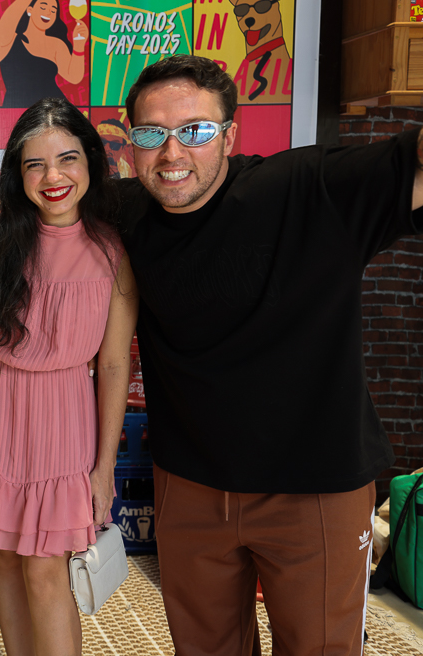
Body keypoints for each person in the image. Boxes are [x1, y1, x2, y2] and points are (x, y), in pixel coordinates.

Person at [117, 54, 423, 655]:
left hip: (314, 486)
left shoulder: (305, 188)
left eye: (195, 130)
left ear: (229, 136)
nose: (172, 152)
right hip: (188, 483)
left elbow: (409, 168)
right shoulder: (126, 212)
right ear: (132, 144)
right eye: (151, 134)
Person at [0, 97, 138, 656]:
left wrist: (103, 467)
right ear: (18, 173)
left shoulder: (110, 253)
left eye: (67, 159)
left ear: (90, 162)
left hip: (59, 419)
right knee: (4, 556)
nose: (53, 177)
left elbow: (113, 364)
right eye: (36, 164)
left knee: (45, 570)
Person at [0, 0, 88, 109]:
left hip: (54, 113)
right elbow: (8, 20)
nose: (48, 12)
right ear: (29, 10)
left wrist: (79, 45)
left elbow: (74, 77)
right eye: (43, 7)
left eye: (53, 10)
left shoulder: (56, 43)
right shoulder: (9, 40)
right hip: (17, 113)